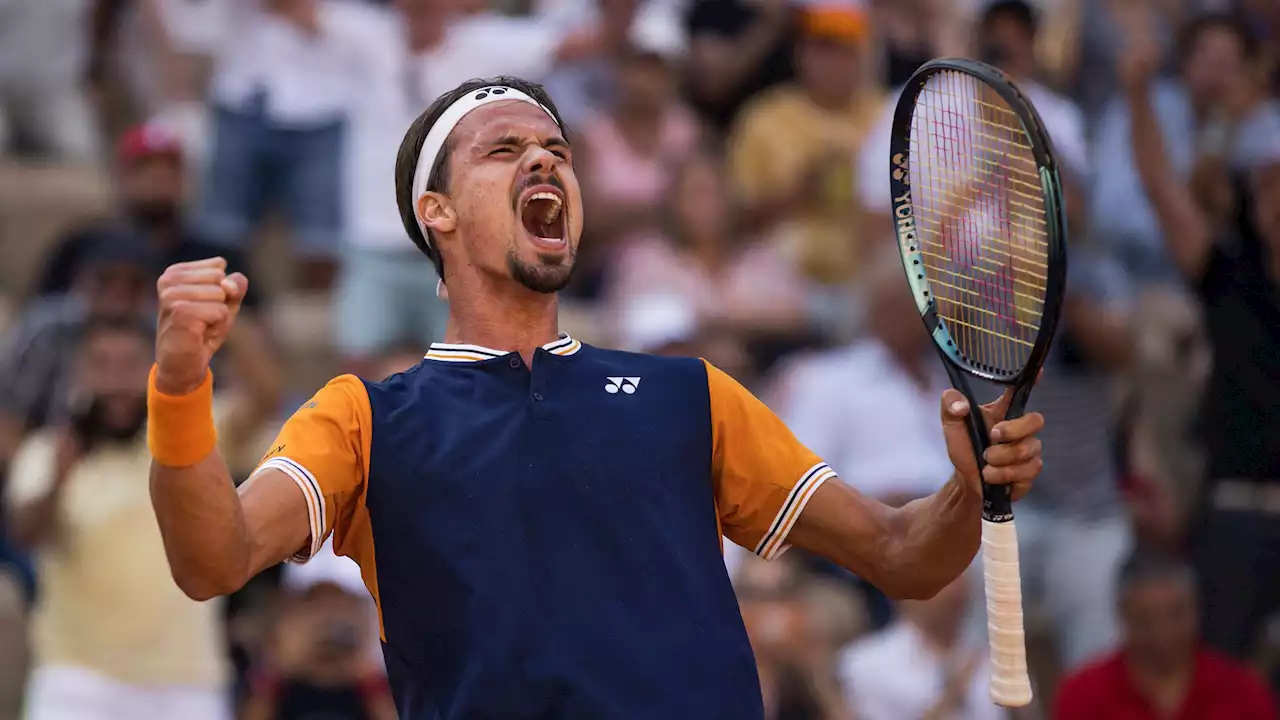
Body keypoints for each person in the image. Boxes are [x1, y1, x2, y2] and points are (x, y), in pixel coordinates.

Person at [145, 76, 1046, 719]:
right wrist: (181, 388)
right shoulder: (364, 418)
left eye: (558, 152)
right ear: (437, 213)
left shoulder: (689, 395)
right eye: (505, 150)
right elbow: (213, 560)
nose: (544, 161)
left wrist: (969, 491)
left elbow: (903, 556)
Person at [6, 316, 274, 720]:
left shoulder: (192, 436)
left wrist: (224, 324)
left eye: (131, 364)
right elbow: (26, 534)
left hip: (187, 682)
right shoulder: (47, 452)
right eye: (102, 365)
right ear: (79, 373)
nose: (117, 380)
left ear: (154, 369)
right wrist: (61, 476)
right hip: (78, 681)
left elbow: (266, 398)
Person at [1121, 15, 1280, 662]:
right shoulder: (1229, 275)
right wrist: (1136, 96)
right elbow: (1162, 187)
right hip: (1236, 507)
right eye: (1267, 185)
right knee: (1217, 673)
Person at [1054, 551, 1276, 719]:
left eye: (1176, 615)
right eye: (1145, 620)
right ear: (1122, 616)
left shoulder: (1243, 692)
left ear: (1197, 610)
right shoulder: (1085, 694)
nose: (1162, 633)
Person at [840, 573, 1001, 720]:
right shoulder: (865, 662)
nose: (954, 592)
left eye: (959, 583)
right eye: (945, 584)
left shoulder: (993, 659)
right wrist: (952, 694)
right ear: (906, 594)